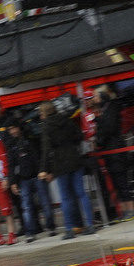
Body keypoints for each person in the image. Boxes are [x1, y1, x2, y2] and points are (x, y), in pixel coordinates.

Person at [39, 100, 95, 238]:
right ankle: (90, 224)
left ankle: (70, 228)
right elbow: (79, 136)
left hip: (60, 163)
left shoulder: (46, 126)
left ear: (44, 113)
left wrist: (44, 169)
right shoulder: (66, 119)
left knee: (66, 197)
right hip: (74, 158)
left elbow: (46, 149)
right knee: (82, 193)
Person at [92, 85, 134, 222]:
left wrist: (99, 136)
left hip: (115, 150)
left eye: (95, 96)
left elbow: (109, 128)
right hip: (109, 151)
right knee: (117, 182)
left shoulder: (111, 108)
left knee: (122, 180)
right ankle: (124, 210)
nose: (94, 99)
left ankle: (131, 209)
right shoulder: (104, 110)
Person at [5, 119, 55, 243]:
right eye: (10, 129)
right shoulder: (12, 145)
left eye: (14, 128)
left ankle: (50, 227)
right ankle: (30, 232)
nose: (13, 131)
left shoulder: (32, 138)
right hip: (23, 179)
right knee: (27, 207)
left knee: (45, 203)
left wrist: (46, 171)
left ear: (19, 128)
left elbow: (41, 156)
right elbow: (11, 165)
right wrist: (13, 182)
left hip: (38, 175)